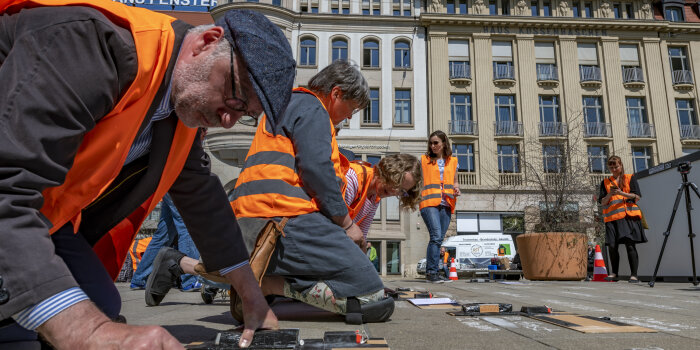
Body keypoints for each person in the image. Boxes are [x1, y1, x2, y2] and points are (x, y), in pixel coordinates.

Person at [0, 1, 297, 348]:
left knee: (100, 303)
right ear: (207, 42)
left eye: (245, 114)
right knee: (26, 324)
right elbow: (8, 187)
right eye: (235, 98)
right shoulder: (91, 42)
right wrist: (88, 333)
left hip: (44, 215)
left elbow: (202, 197)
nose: (228, 120)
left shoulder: (178, 102)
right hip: (14, 206)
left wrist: (251, 295)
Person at [230, 60, 395, 324]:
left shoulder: (286, 105)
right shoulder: (312, 108)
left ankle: (261, 286)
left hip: (253, 219)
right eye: (351, 109)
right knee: (374, 299)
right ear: (336, 93)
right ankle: (262, 287)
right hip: (284, 218)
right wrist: (346, 223)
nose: (349, 117)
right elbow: (317, 170)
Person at [130, 193, 202, 292]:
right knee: (187, 226)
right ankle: (190, 280)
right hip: (180, 184)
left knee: (163, 235)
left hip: (170, 184)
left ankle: (139, 279)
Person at [599, 155, 647, 283]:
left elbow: (637, 197)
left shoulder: (629, 178)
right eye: (611, 167)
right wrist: (610, 193)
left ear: (621, 166)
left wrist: (621, 193)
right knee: (612, 246)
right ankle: (614, 274)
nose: (614, 169)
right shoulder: (605, 182)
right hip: (611, 218)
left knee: (630, 245)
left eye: (616, 166)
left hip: (628, 217)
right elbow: (602, 202)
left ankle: (634, 275)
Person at [420, 130, 460, 283]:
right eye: (431, 143)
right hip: (429, 203)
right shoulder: (424, 160)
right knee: (436, 237)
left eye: (436, 142)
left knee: (439, 239)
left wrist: (457, 188)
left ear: (444, 143)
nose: (433, 146)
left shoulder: (453, 161)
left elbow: (455, 181)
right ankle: (431, 273)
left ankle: (435, 271)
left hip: (447, 203)